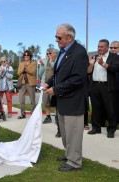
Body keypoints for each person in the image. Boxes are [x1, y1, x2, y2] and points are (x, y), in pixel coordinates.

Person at [43, 23, 88, 171]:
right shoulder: (63, 51)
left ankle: (75, 162)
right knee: (65, 131)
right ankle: (69, 154)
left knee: (73, 132)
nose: (56, 40)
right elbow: (57, 74)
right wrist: (48, 83)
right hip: (62, 99)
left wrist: (56, 89)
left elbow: (78, 78)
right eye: (56, 37)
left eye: (59, 37)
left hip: (73, 101)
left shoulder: (79, 52)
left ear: (70, 38)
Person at [87, 39, 119, 138]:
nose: (99, 48)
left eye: (101, 47)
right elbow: (88, 72)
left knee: (110, 109)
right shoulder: (95, 57)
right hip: (95, 86)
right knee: (96, 108)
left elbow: (115, 68)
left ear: (107, 47)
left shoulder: (114, 57)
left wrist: (103, 64)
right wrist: (91, 64)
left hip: (107, 86)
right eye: (98, 46)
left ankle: (111, 130)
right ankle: (96, 128)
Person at [39, 48, 61, 137]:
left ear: (54, 53)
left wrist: (51, 61)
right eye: (47, 53)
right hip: (45, 84)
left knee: (55, 102)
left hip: (54, 85)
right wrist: (42, 66)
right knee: (46, 102)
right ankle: (48, 117)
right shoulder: (45, 61)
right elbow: (41, 74)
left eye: (50, 53)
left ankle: (57, 117)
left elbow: (56, 70)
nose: (48, 55)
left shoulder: (57, 61)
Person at [17, 50, 37, 119]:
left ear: (30, 56)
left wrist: (26, 68)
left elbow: (32, 72)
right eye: (25, 55)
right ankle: (23, 114)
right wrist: (24, 67)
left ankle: (33, 115)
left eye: (27, 55)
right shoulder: (21, 64)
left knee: (32, 100)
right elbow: (18, 73)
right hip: (22, 84)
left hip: (31, 84)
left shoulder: (33, 63)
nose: (26, 56)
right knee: (21, 99)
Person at [110, 41, 119, 125]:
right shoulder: (107, 58)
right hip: (110, 87)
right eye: (111, 48)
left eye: (115, 48)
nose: (112, 49)